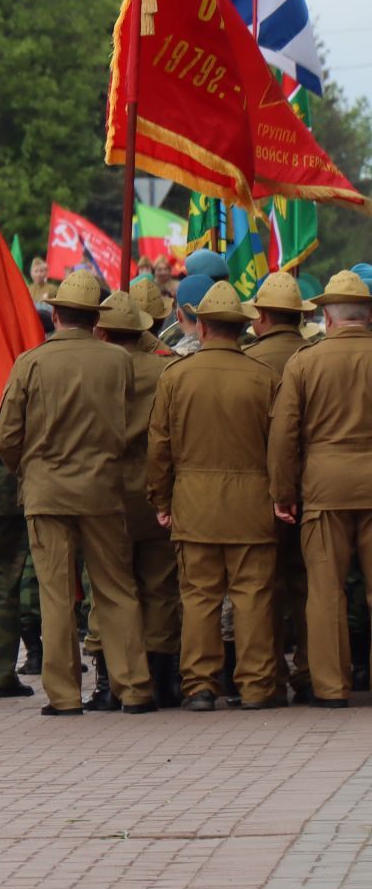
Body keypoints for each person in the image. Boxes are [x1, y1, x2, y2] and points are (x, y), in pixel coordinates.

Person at [0, 270, 154, 715]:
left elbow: (5, 436)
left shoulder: (31, 363)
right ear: (94, 319)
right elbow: (124, 425)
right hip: (103, 488)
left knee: (57, 595)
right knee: (116, 589)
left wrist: (28, 469)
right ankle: (135, 687)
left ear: (56, 313)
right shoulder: (118, 361)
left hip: (47, 491)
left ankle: (64, 696)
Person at [146, 281, 279, 711]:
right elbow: (279, 447)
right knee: (253, 596)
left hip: (195, 504)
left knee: (199, 597)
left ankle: (201, 686)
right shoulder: (264, 378)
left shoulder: (176, 377)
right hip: (253, 505)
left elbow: (160, 448)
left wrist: (162, 502)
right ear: (241, 328)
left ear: (200, 327)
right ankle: (257, 686)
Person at [268, 270, 372, 709]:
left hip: (324, 488)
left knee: (326, 590)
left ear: (327, 318)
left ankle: (331, 687)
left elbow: (284, 434)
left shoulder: (305, 362)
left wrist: (283, 491)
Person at [95, 290, 182, 707]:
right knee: (160, 588)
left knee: (110, 590)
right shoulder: (167, 370)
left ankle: (109, 683)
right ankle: (163, 680)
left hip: (105, 492)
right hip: (154, 492)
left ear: (103, 332)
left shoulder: (95, 370)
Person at [246, 271, 317, 704]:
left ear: (265, 316)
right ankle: (312, 670)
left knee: (264, 587)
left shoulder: (250, 360)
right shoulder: (313, 355)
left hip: (260, 492)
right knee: (311, 585)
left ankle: (267, 677)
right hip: (314, 489)